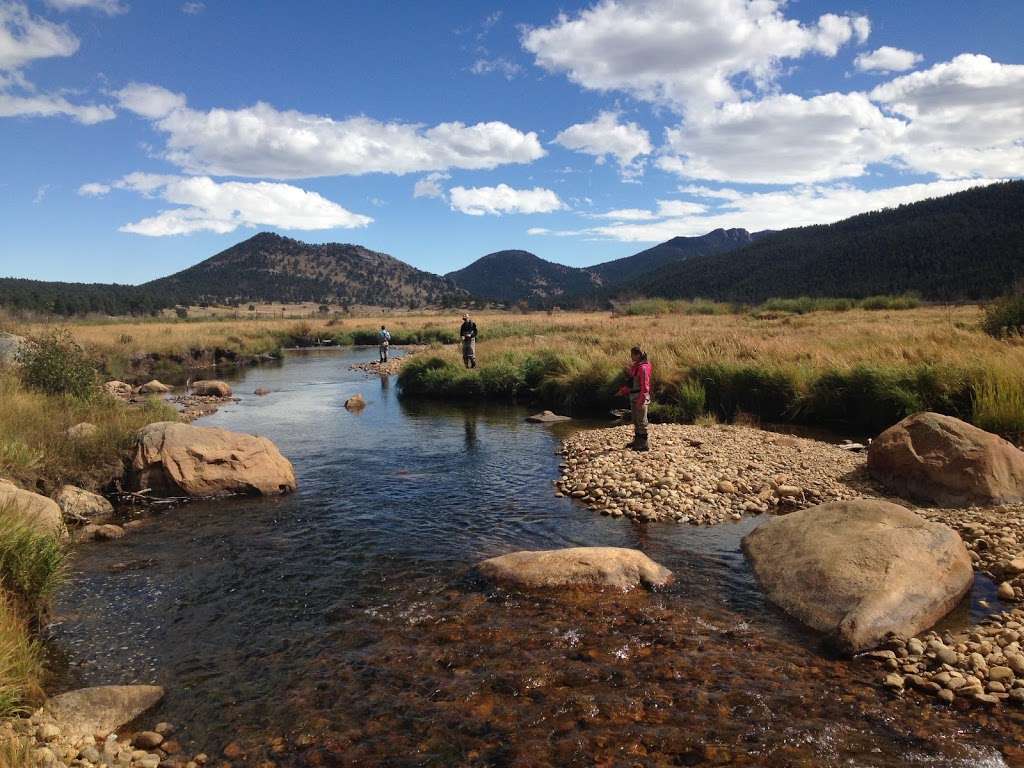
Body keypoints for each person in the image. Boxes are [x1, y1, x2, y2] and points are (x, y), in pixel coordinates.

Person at [619, 345, 651, 451]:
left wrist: (641, 400)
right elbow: (632, 383)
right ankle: (637, 440)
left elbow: (645, 386)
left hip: (640, 396)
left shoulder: (643, 367)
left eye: (632, 354)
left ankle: (644, 444)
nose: (630, 356)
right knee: (636, 420)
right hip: (634, 395)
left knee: (642, 421)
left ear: (637, 355)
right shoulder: (637, 366)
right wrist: (623, 391)